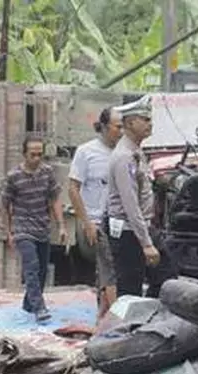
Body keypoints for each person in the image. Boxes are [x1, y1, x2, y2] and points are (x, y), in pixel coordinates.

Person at [106, 95, 177, 298]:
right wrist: (146, 244)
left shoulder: (136, 151)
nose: (150, 124)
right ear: (129, 123)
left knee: (166, 276)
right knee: (130, 289)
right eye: (144, 120)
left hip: (141, 227)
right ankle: (127, 319)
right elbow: (130, 204)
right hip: (128, 231)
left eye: (150, 119)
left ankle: (150, 314)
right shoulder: (124, 157)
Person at [3, 135, 66, 323]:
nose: (37, 158)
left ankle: (28, 304)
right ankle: (39, 308)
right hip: (22, 228)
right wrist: (9, 232)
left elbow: (55, 199)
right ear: (24, 154)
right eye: (33, 154)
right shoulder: (13, 176)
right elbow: (5, 205)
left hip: (42, 227)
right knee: (31, 267)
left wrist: (61, 226)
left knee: (42, 272)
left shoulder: (47, 173)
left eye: (40, 154)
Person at [69, 108, 122, 320]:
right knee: (110, 269)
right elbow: (73, 189)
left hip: (121, 222)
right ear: (105, 127)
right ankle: (115, 317)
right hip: (97, 221)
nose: (121, 131)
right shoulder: (86, 152)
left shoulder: (125, 152)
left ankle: (103, 314)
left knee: (107, 270)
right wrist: (87, 222)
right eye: (118, 127)